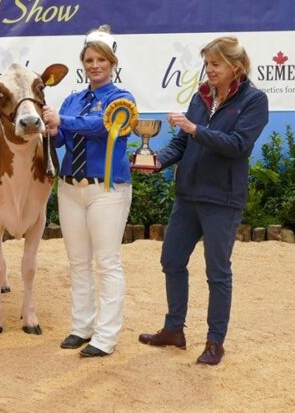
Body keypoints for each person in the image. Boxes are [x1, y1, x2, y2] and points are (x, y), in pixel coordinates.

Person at [137, 36, 268, 365]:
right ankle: (174, 330)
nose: (208, 70)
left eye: (215, 64)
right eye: (206, 63)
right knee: (171, 260)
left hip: (222, 200)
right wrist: (155, 161)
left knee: (218, 272)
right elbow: (181, 144)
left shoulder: (254, 100)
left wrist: (195, 128)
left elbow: (238, 145)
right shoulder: (202, 95)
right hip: (188, 197)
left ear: (235, 66)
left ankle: (214, 342)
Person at [42, 25, 135, 358]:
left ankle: (106, 336)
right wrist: (49, 129)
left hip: (107, 188)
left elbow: (104, 127)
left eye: (101, 60)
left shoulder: (122, 99)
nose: (95, 65)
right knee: (78, 262)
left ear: (112, 64)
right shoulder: (72, 99)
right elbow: (61, 141)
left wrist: (63, 121)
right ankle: (82, 326)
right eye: (89, 60)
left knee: (107, 262)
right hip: (70, 188)